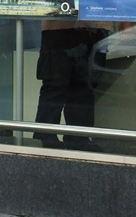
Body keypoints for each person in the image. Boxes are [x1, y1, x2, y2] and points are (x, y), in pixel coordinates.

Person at [33, 20, 112, 152]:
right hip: (61, 24)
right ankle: (46, 137)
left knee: (84, 88)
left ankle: (78, 138)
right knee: (56, 86)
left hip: (93, 25)